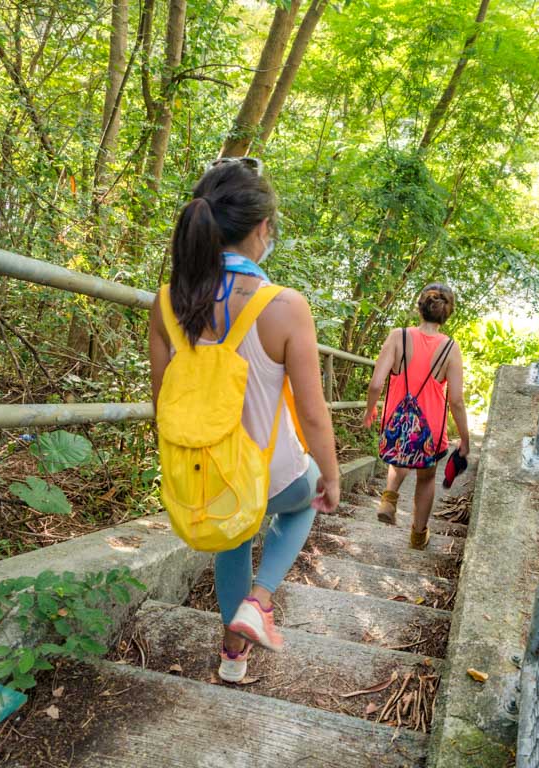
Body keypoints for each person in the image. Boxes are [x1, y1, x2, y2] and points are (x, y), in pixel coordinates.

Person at [149, 158, 341, 683]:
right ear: (262, 229)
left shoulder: (168, 301)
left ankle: (232, 656)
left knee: (231, 538)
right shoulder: (283, 305)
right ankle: (260, 599)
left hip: (207, 475)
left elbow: (160, 400)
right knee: (305, 504)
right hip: (271, 471)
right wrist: (331, 472)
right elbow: (312, 411)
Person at [362, 284, 469, 550]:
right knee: (426, 478)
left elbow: (376, 383)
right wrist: (465, 439)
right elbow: (456, 400)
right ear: (447, 314)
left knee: (400, 457)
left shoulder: (398, 337)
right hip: (430, 428)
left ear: (419, 308)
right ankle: (418, 535)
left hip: (398, 419)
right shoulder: (450, 348)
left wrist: (370, 409)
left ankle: (389, 498)